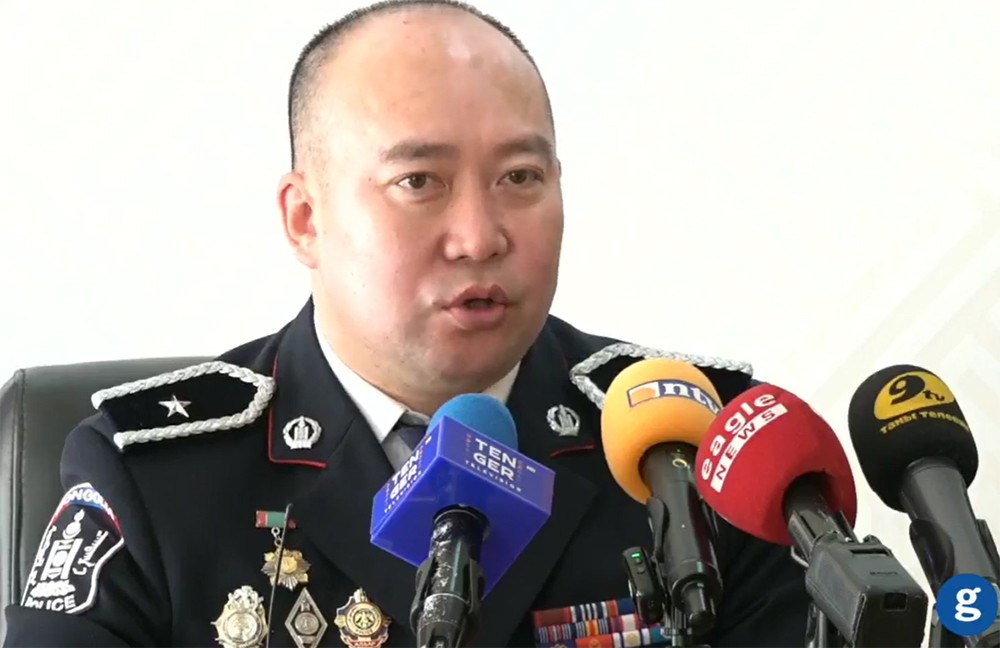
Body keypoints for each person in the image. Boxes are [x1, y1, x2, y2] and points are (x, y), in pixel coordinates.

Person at [2, 1, 811, 646]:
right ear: (306, 219)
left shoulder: (697, 448)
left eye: (520, 177)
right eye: (419, 181)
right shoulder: (156, 480)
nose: (479, 237)